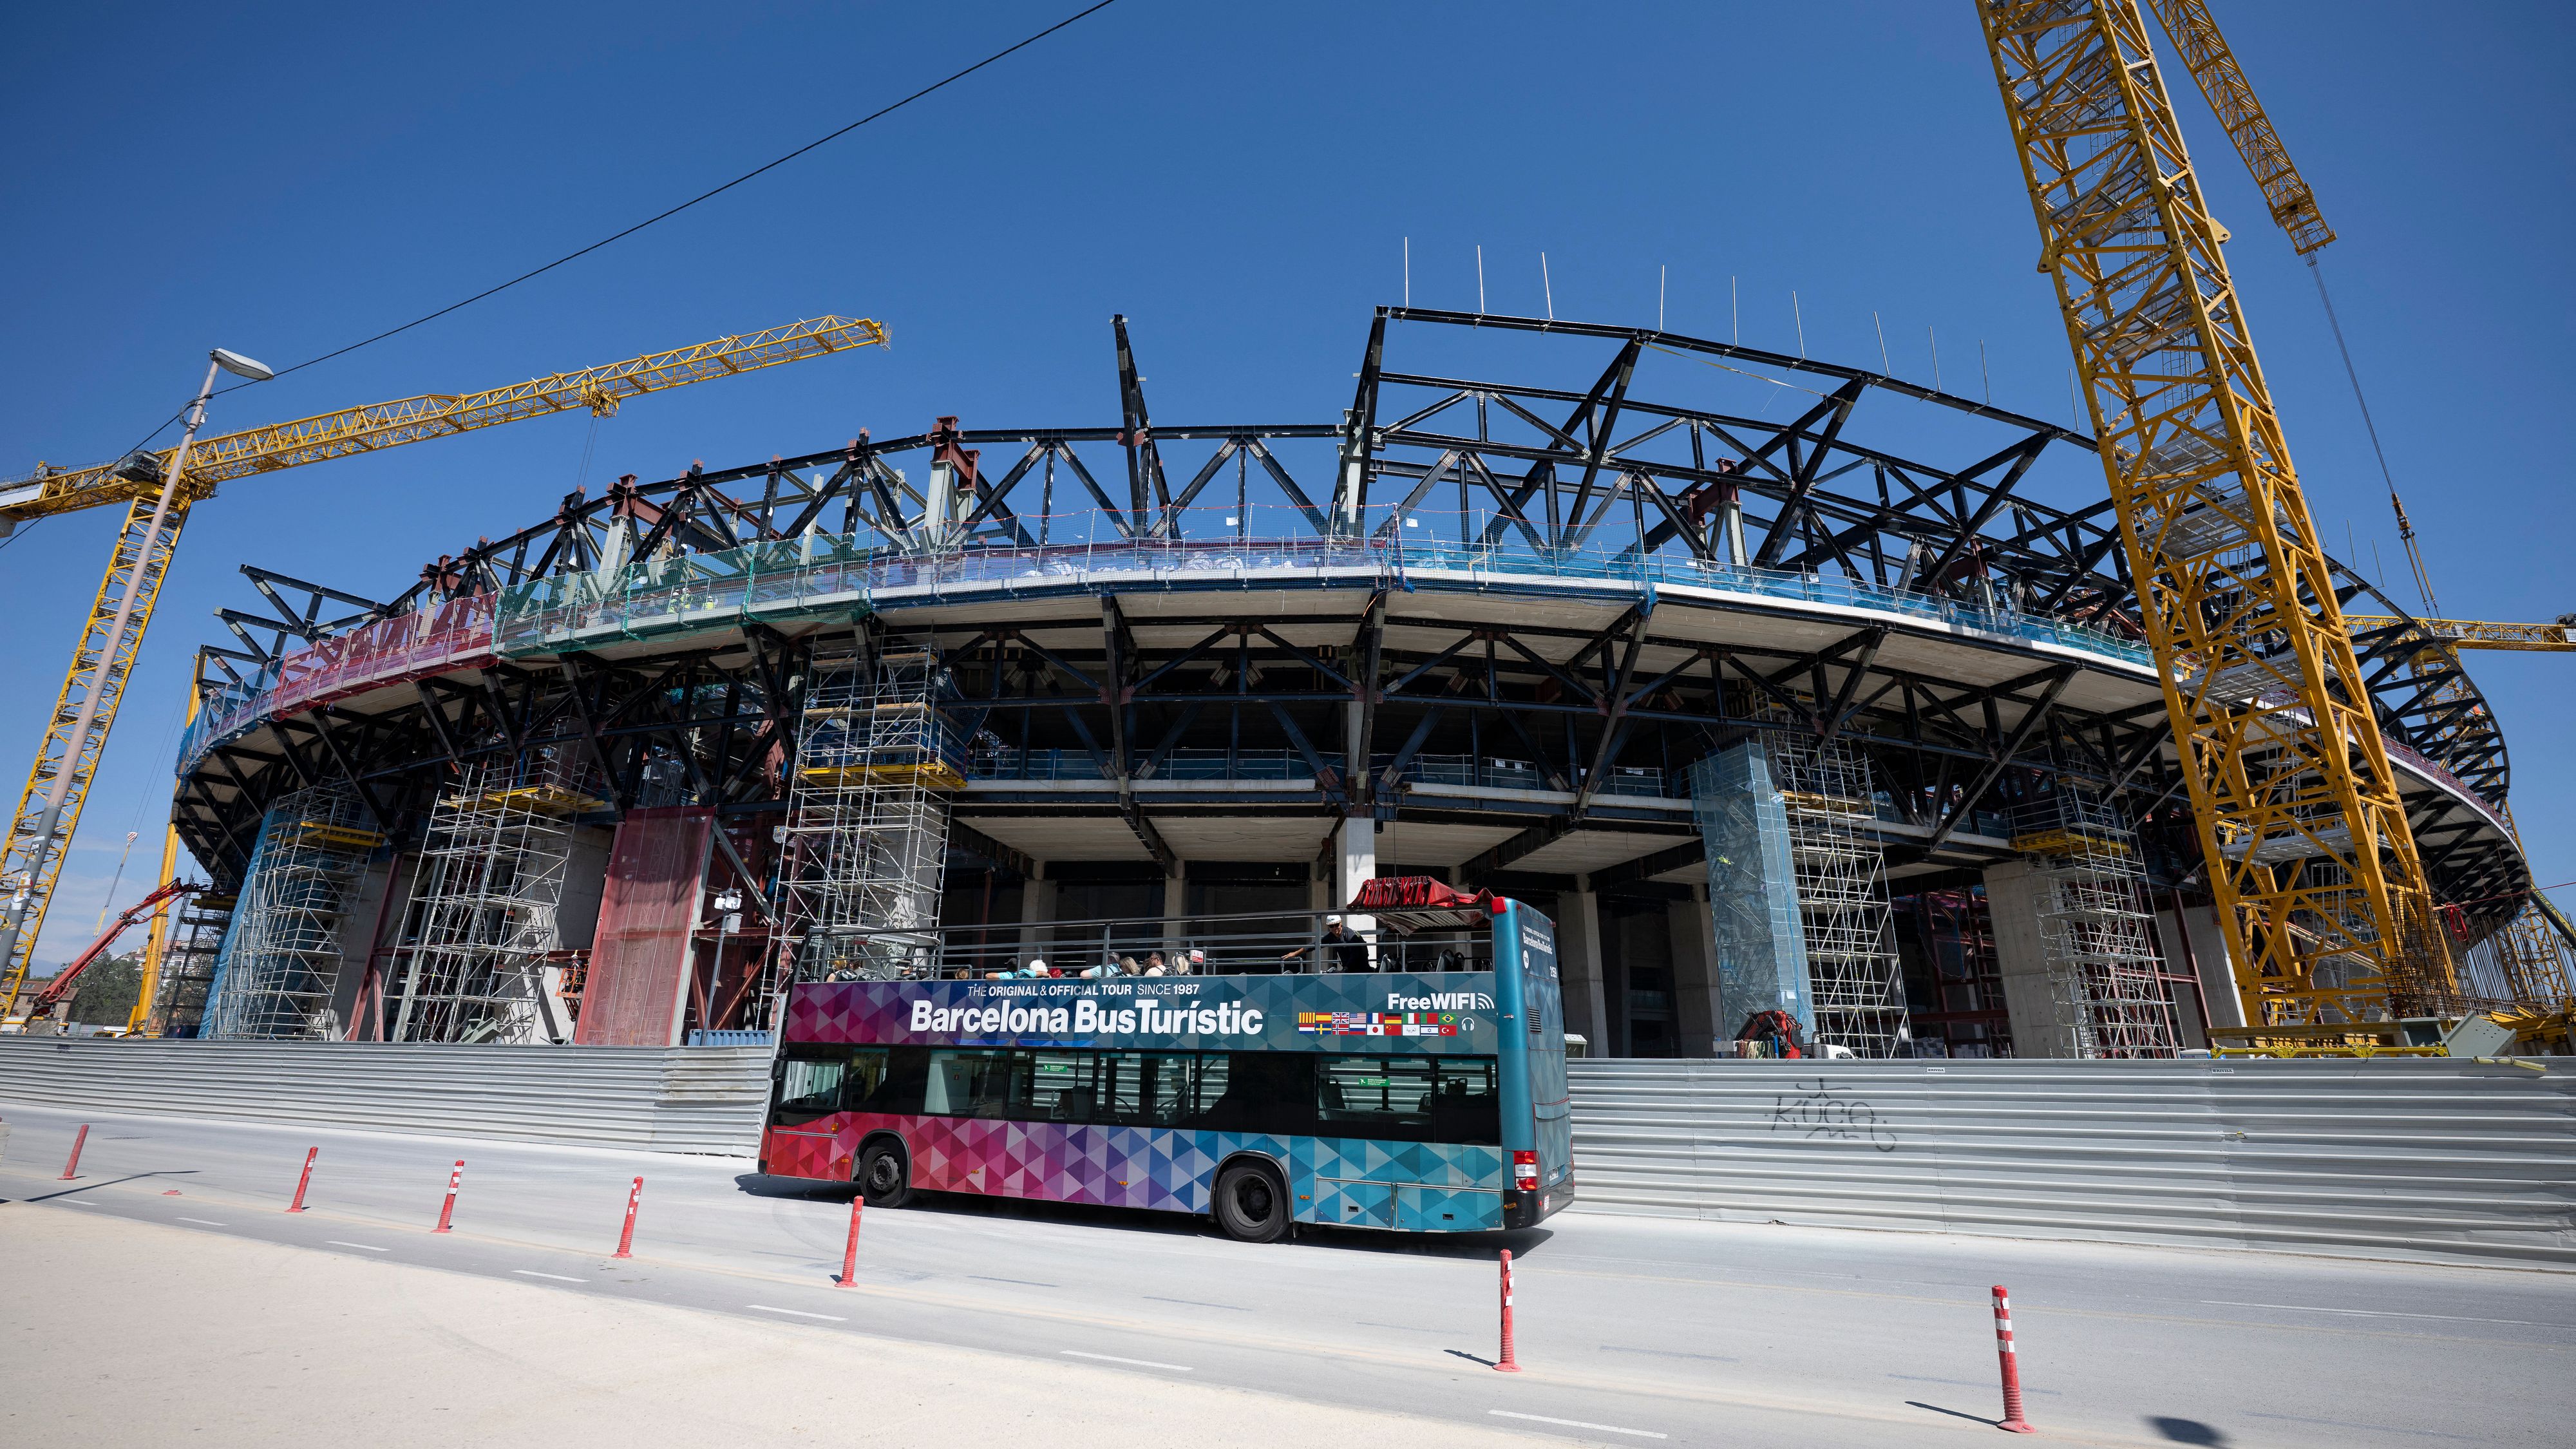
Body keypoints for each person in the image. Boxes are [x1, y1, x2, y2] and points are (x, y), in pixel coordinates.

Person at [1283, 916, 1372, 974]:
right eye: (1331, 926)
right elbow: (1315, 945)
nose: (1335, 928)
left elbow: (1355, 955)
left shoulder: (1350, 935)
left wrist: (1345, 970)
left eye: (1337, 925)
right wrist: (1295, 953)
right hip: (1348, 970)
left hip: (1361, 969)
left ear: (1341, 923)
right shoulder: (1331, 936)